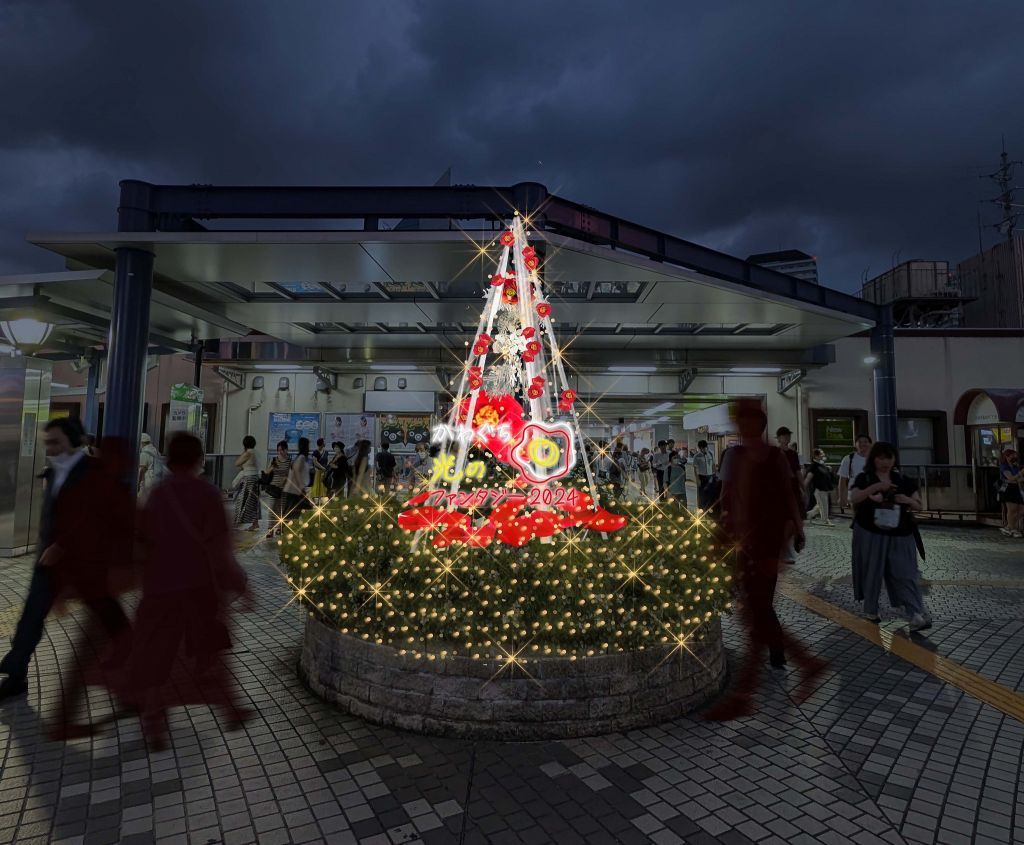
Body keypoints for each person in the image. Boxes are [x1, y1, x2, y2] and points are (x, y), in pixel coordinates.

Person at [128, 432, 252, 749]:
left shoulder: (157, 494)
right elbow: (220, 549)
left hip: (159, 587)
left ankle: (154, 719)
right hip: (198, 586)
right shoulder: (207, 494)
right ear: (200, 460)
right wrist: (241, 584)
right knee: (211, 647)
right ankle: (229, 707)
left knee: (158, 652)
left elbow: (141, 542)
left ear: (169, 459)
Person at [704, 401, 826, 720]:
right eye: (740, 420)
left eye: (744, 420)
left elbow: (785, 496)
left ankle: (748, 692)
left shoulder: (759, 456)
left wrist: (796, 530)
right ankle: (804, 665)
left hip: (764, 545)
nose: (742, 426)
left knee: (754, 613)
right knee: (754, 614)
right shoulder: (749, 455)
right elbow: (730, 499)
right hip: (751, 545)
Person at [0, 420, 132, 708]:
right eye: (48, 442)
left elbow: (96, 517)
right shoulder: (52, 472)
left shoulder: (94, 471)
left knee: (109, 617)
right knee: (31, 617)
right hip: (49, 564)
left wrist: (62, 546)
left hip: (84, 562)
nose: (51, 448)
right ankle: (15, 673)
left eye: (56, 442)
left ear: (74, 441)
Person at [850, 442, 930, 630]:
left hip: (901, 532)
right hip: (870, 531)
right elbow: (853, 497)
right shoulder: (865, 477)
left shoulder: (903, 479)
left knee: (905, 572)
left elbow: (919, 505)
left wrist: (907, 500)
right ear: (873, 459)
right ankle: (871, 608)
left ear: (895, 459)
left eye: (889, 457)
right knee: (872, 570)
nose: (885, 462)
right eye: (880, 457)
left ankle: (915, 612)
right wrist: (876, 488)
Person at [232, 435, 262, 531]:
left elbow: (237, 463)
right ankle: (255, 523)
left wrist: (243, 452)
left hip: (248, 479)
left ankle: (237, 523)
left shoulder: (248, 453)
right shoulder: (255, 452)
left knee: (241, 500)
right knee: (253, 502)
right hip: (255, 478)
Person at [838, 434, 873, 513]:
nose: (863, 444)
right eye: (859, 442)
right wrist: (841, 497)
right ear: (855, 444)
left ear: (870, 444)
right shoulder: (849, 458)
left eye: (865, 442)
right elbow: (842, 479)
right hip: (855, 495)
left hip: (873, 494)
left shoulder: (875, 458)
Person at [264, 441, 291, 538]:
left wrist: (286, 478)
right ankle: (270, 530)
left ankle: (280, 528)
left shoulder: (290, 461)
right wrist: (272, 468)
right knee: (271, 509)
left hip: (284, 489)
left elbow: (291, 474)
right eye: (278, 450)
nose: (280, 452)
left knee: (282, 510)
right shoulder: (274, 460)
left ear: (286, 450)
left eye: (282, 450)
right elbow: (267, 472)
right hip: (273, 488)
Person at [804, 449, 836, 526]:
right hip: (818, 489)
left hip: (825, 488)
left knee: (820, 506)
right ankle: (825, 520)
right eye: (821, 454)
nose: (823, 455)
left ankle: (808, 515)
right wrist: (802, 488)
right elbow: (808, 478)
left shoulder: (822, 465)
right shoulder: (813, 466)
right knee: (824, 505)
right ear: (816, 456)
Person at [998, 450, 1023, 537]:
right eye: (1012, 456)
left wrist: (1016, 478)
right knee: (1012, 509)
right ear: (1007, 457)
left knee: (1020, 509)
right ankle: (1011, 528)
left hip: (1015, 488)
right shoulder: (1004, 466)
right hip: (1007, 489)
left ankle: (1012, 526)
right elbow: (1011, 478)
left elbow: (1017, 480)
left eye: (1015, 456)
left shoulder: (1015, 466)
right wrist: (1020, 474)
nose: (1014, 458)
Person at [284, 437, 311, 517]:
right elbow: (297, 471)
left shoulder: (300, 457)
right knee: (292, 513)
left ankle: (282, 528)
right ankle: (281, 528)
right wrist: (302, 487)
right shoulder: (302, 457)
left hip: (294, 490)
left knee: (292, 512)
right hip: (295, 490)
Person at [138, 433, 166, 500]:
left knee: (143, 499)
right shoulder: (155, 451)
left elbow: (142, 469)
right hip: (157, 479)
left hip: (148, 480)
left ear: (142, 442)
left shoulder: (144, 453)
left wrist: (138, 482)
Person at [309, 438, 329, 502]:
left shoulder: (326, 452)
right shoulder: (315, 452)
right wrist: (322, 468)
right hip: (317, 471)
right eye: (324, 442)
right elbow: (315, 462)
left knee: (323, 486)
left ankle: (320, 500)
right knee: (316, 485)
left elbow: (326, 461)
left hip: (324, 472)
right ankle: (314, 500)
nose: (325, 443)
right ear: (321, 443)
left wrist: (325, 469)